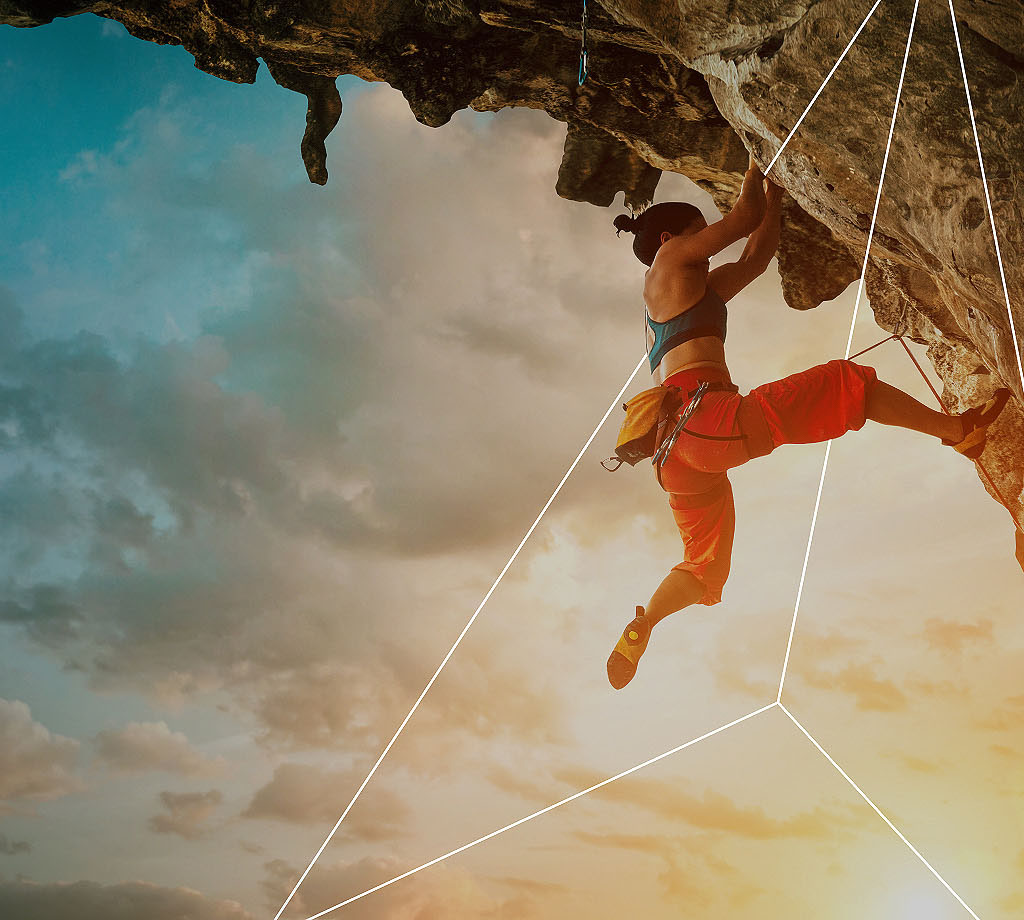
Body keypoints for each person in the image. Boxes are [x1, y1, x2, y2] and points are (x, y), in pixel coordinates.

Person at [606, 158, 1012, 690]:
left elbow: (755, 258)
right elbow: (743, 219)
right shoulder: (668, 260)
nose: (705, 242)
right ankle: (960, 433)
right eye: (698, 232)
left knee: (702, 566)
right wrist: (757, 161)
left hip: (674, 459)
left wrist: (774, 197)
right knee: (847, 383)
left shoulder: (688, 292)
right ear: (669, 238)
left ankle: (645, 624)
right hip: (705, 424)